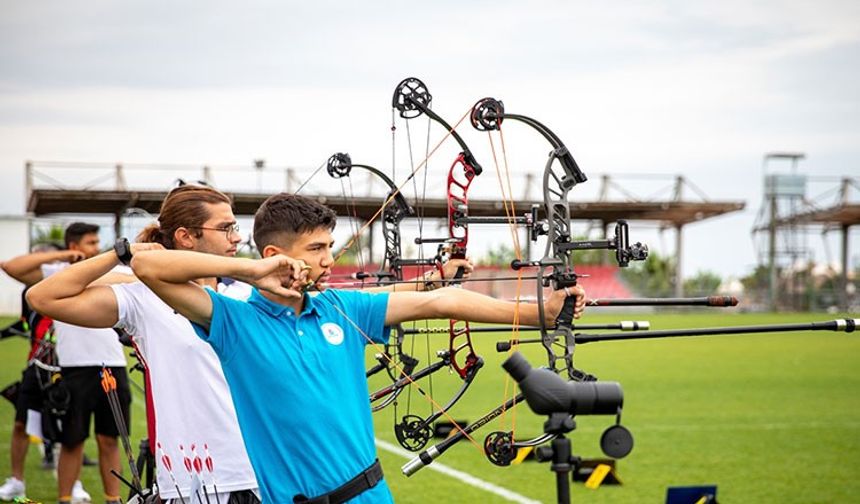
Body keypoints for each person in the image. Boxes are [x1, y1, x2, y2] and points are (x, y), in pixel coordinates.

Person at [129, 193, 587, 503]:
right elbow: (147, 265)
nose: (330, 259)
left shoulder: (340, 309)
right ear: (276, 255)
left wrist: (537, 313)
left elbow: (438, 299)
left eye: (330, 246)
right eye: (316, 248)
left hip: (368, 494)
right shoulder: (234, 321)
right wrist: (252, 272)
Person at [2, 225, 118, 504]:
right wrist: (66, 256)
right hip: (53, 364)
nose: (97, 246)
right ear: (74, 245)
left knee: (94, 435)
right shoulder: (57, 270)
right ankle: (23, 482)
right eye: (91, 242)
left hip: (94, 363)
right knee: (42, 428)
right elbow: (11, 266)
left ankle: (89, 490)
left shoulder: (105, 269)